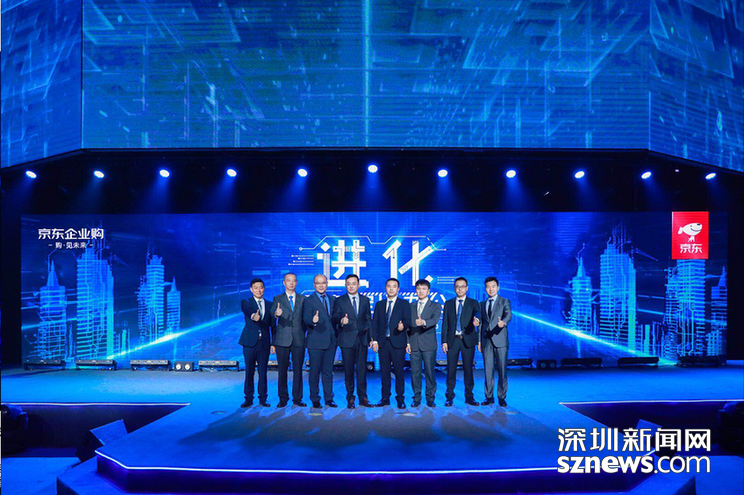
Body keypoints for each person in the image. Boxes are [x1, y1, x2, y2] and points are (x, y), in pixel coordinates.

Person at [332, 274, 373, 408]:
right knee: (348, 371)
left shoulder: (365, 300)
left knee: (362, 371)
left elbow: (368, 319)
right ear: (345, 285)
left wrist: (371, 338)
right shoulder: (340, 300)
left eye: (354, 283)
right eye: (348, 284)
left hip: (362, 340)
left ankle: (363, 397)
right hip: (347, 339)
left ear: (358, 285)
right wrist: (341, 320)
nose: (351, 286)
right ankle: (350, 397)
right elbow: (335, 317)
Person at [371, 278, 411, 409]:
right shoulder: (379, 304)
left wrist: (402, 326)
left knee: (399, 372)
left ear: (398, 289)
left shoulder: (404, 304)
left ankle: (400, 399)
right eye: (389, 286)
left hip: (398, 343)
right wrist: (375, 340)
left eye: (394, 286)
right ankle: (385, 398)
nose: (391, 288)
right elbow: (374, 324)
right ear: (385, 288)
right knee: (384, 372)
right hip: (383, 343)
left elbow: (408, 321)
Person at [441, 277, 481, 407]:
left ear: (467, 288)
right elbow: (445, 324)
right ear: (454, 288)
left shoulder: (473, 303)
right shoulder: (448, 303)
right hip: (452, 341)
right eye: (457, 286)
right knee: (451, 369)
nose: (460, 289)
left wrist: (477, 320)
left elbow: (478, 314)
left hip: (467, 340)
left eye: (462, 286)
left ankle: (469, 396)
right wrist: (444, 341)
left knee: (468, 369)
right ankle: (449, 396)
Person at [270, 273, 307, 407]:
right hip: (282, 340)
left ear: (296, 283)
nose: (291, 283)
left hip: (298, 339)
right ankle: (283, 398)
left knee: (298, 370)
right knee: (282, 371)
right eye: (288, 281)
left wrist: (303, 331)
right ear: (284, 283)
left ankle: (297, 398)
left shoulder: (303, 299)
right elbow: (271, 314)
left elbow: (306, 319)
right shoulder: (278, 298)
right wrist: (276, 314)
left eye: (293, 281)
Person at [302, 274, 338, 408]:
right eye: (318, 283)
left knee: (328, 371)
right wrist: (313, 320)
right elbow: (305, 318)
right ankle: (315, 398)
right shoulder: (309, 300)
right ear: (314, 285)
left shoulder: (333, 299)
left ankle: (329, 398)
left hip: (330, 341)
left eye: (323, 283)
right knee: (314, 372)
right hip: (315, 341)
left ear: (327, 284)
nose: (321, 285)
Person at [239, 278, 273, 408]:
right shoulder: (246, 302)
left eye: (261, 287)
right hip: (249, 342)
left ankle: (263, 399)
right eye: (256, 287)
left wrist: (273, 343)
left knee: (263, 372)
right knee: (249, 371)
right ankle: (248, 398)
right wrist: (254, 316)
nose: (259, 290)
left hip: (264, 343)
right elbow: (247, 311)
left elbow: (273, 326)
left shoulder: (270, 304)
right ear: (251, 289)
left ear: (264, 289)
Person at [407, 279, 442, 408]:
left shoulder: (435, 306)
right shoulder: (410, 306)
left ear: (428, 291)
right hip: (414, 343)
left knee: (429, 372)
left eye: (423, 289)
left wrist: (424, 322)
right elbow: (407, 326)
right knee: (415, 373)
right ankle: (416, 398)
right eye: (418, 289)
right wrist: (408, 342)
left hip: (428, 344)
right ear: (415, 290)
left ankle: (430, 397)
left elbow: (435, 319)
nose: (420, 291)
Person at [480, 276, 513, 407]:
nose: (491, 289)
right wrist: (479, 342)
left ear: (498, 287)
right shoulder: (482, 304)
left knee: (502, 370)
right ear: (485, 288)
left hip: (500, 340)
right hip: (486, 341)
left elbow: (508, 314)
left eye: (493, 286)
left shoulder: (504, 301)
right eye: (488, 287)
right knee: (488, 371)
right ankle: (489, 397)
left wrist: (503, 322)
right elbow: (481, 324)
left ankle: (502, 396)